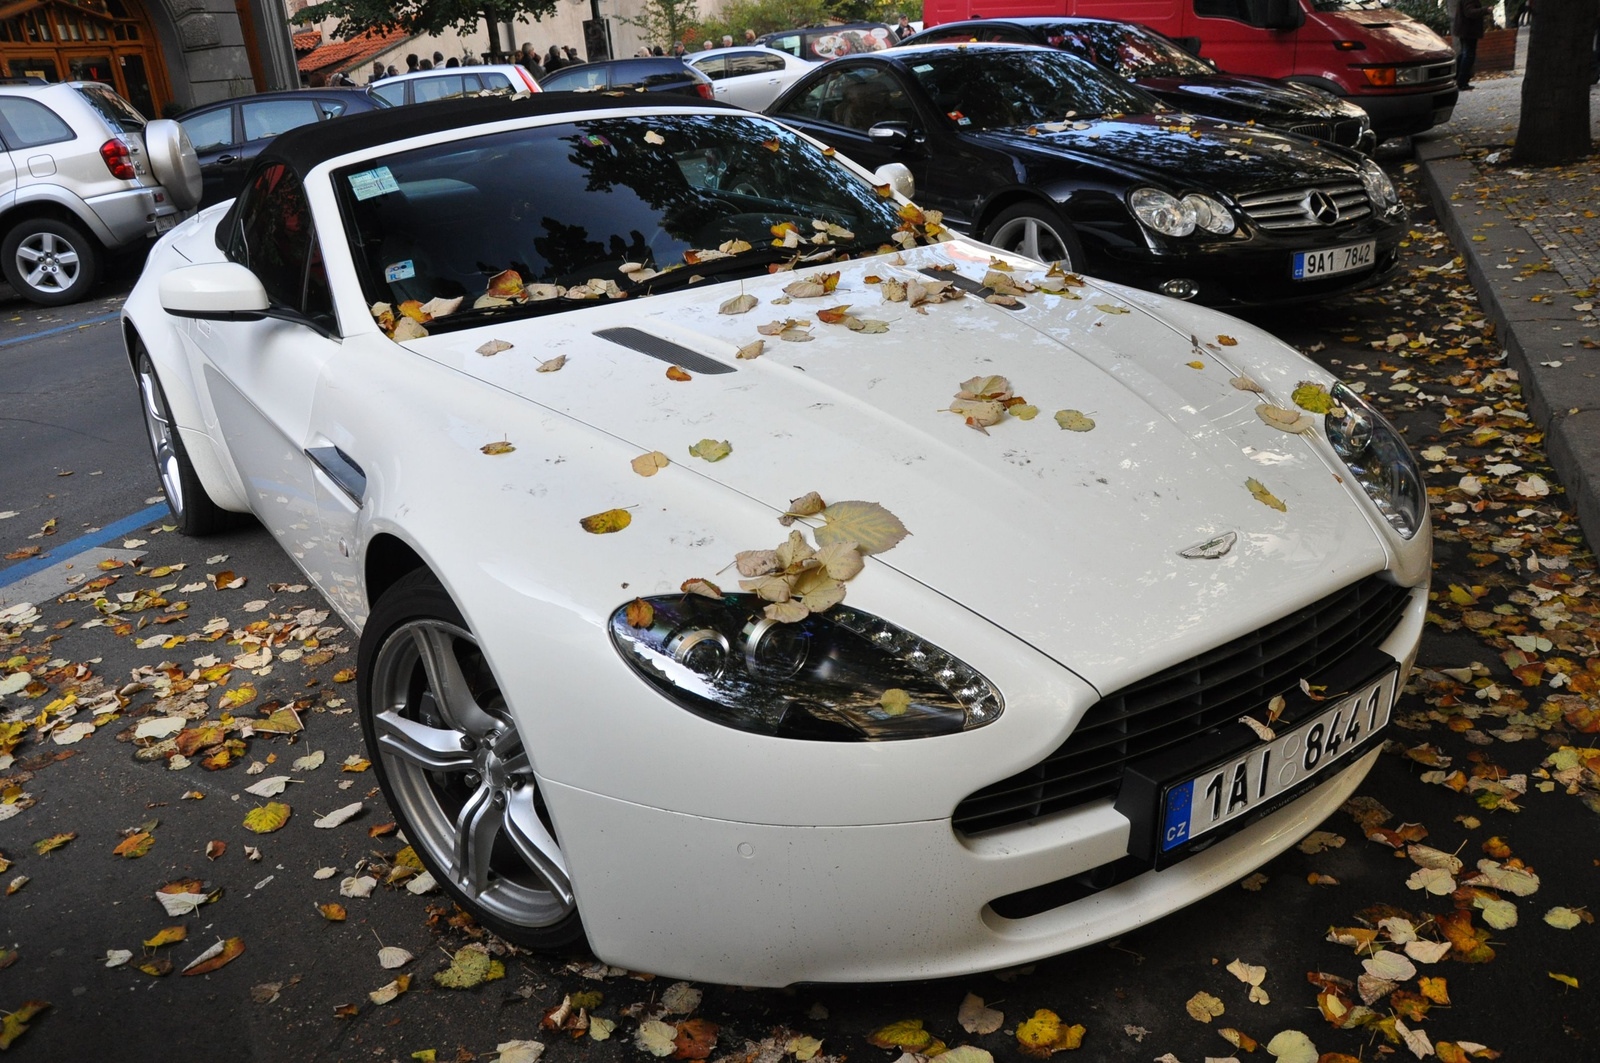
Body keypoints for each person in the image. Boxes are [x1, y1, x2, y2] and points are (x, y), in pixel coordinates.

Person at [1452, 0, 1485, 90]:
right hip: (1468, 31)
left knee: (1464, 54)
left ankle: (1456, 77)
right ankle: (1462, 82)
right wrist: (1485, 10)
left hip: (1465, 30)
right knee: (1468, 55)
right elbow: (1469, 12)